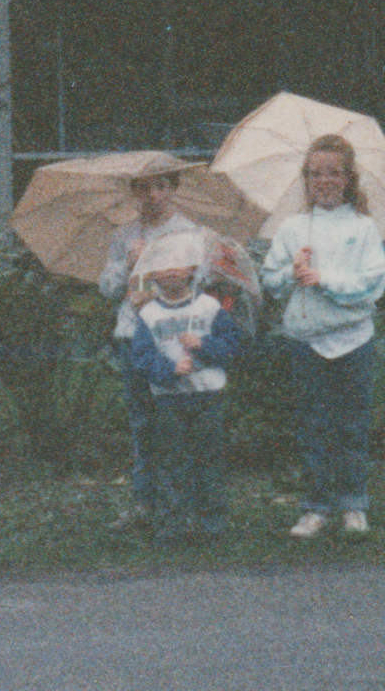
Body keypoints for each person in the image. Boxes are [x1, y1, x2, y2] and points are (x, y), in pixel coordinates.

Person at [261, 134, 385, 539]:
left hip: (353, 342)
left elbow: (373, 284)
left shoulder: (364, 227)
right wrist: (291, 271)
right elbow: (271, 282)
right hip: (306, 343)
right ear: (306, 179)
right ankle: (316, 507)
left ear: (348, 178)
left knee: (351, 425)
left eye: (333, 172)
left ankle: (353, 504)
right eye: (316, 174)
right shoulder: (293, 228)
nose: (324, 180)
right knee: (314, 426)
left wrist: (323, 279)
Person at [97, 164, 200, 531]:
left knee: (174, 422)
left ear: (172, 188)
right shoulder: (126, 235)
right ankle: (144, 504)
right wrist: (128, 264)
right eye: (143, 189)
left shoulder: (187, 233)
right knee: (142, 424)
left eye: (160, 186)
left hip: (171, 339)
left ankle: (179, 505)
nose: (152, 195)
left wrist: (155, 297)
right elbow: (107, 289)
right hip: (133, 338)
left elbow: (198, 289)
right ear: (134, 193)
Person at [129, 231, 242, 543]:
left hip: (207, 396)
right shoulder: (149, 314)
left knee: (209, 459)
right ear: (151, 273)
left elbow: (232, 345)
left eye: (179, 262)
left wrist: (203, 345)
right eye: (163, 264)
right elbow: (142, 356)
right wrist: (169, 369)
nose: (172, 269)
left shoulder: (208, 307)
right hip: (169, 400)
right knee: (172, 461)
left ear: (193, 268)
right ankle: (174, 523)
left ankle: (212, 524)